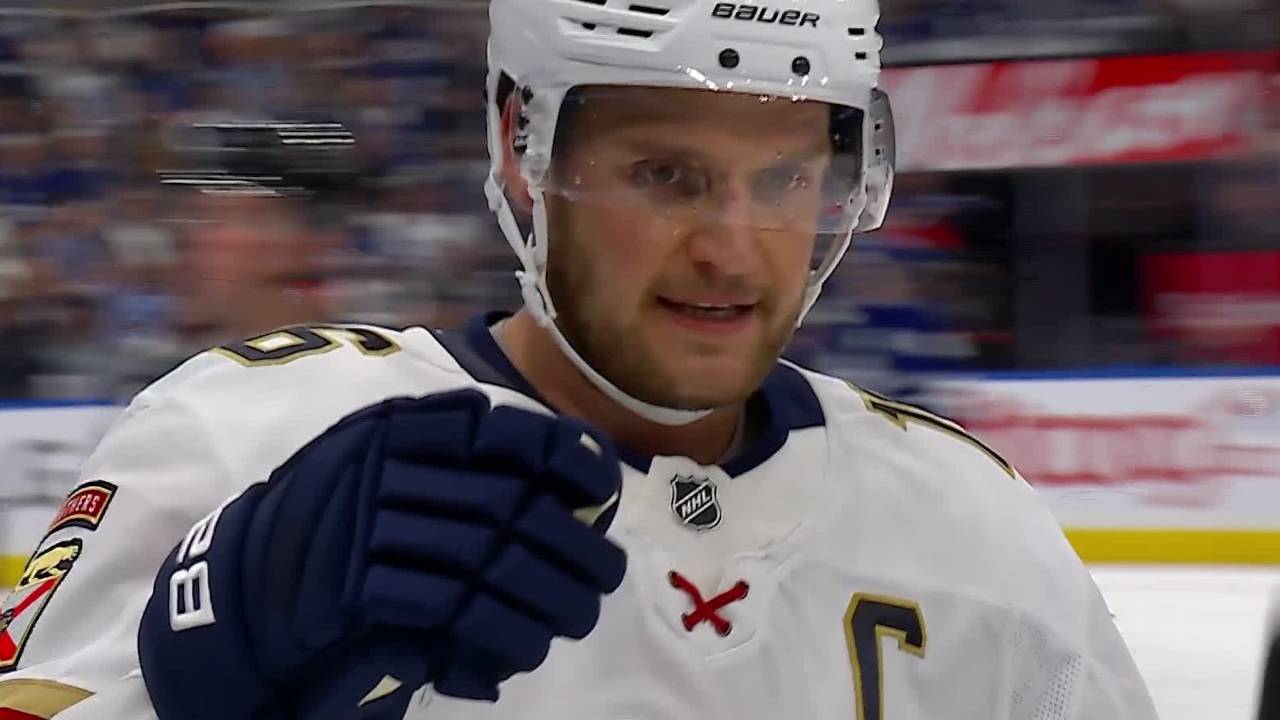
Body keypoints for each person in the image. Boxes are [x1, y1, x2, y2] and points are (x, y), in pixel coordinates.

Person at [0, 2, 1157, 718]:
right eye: (665, 175)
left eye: (783, 178)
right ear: (522, 148)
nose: (732, 248)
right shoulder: (247, 431)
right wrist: (215, 652)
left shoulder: (972, 518)